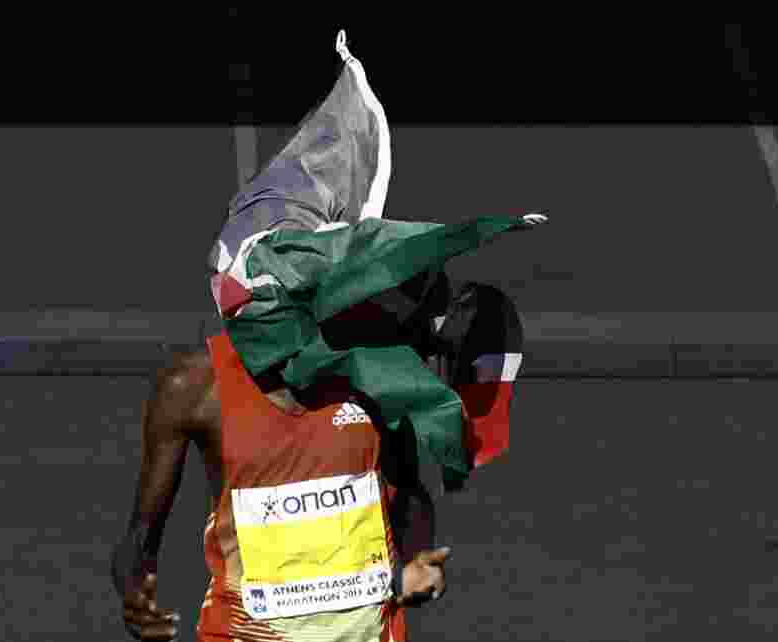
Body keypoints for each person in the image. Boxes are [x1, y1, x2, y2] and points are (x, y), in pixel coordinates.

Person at [111, 278, 526, 642]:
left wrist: (414, 562)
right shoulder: (195, 386)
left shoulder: (376, 375)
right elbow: (140, 536)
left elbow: (407, 493)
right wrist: (133, 591)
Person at [210, 30, 547, 494]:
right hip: (281, 269)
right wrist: (484, 229)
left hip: (280, 262)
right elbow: (382, 249)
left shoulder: (388, 300)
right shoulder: (355, 283)